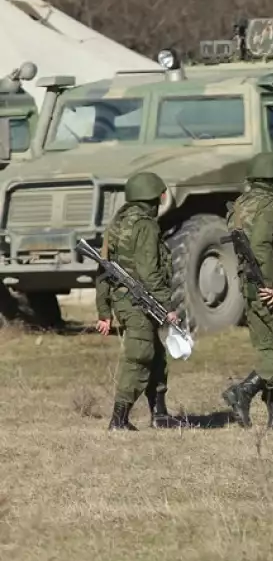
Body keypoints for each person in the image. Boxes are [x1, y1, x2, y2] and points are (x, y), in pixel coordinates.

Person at [221, 153, 273, 429]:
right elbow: (261, 246)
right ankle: (243, 391)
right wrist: (272, 284)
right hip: (267, 288)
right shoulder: (268, 204)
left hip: (249, 286)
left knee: (271, 351)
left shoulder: (241, 204)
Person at [96, 172, 179, 431]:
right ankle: (119, 419)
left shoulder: (117, 223)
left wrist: (104, 310)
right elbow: (149, 272)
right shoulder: (146, 226)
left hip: (127, 299)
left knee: (156, 353)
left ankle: (160, 414)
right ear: (154, 198)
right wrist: (168, 307)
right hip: (137, 301)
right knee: (140, 355)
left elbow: (103, 268)